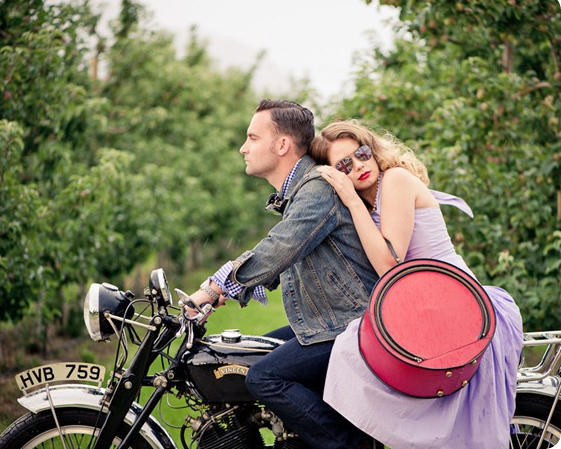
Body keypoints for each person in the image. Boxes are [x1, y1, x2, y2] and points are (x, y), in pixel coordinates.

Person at [310, 119, 524, 448]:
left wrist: (351, 202)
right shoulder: (370, 202)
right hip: (430, 308)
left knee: (349, 352)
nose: (359, 166)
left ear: (373, 150)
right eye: (344, 164)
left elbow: (389, 264)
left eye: (362, 153)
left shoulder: (394, 180)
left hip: (461, 308)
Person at [187, 100, 380, 449]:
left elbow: (280, 248)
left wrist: (215, 287)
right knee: (252, 351)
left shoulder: (316, 188)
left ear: (281, 145)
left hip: (352, 323)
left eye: (252, 137)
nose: (243, 148)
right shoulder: (299, 192)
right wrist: (224, 294)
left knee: (264, 377)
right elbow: (286, 259)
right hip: (328, 318)